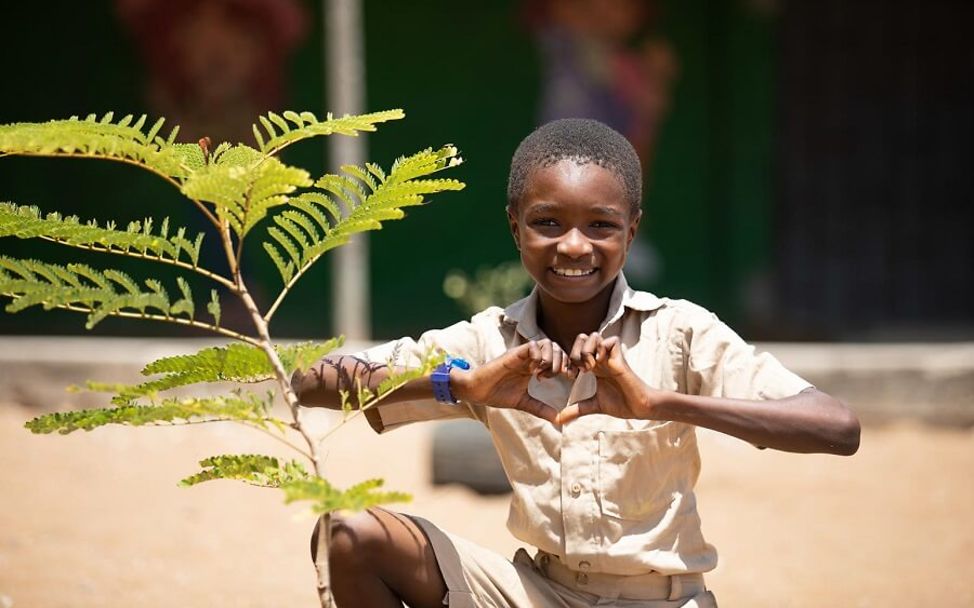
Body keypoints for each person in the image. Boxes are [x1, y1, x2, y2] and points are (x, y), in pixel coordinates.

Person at [292, 118, 860, 608]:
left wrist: (656, 403)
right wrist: (461, 385)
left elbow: (838, 428)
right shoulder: (490, 341)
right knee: (349, 533)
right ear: (514, 225)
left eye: (601, 225)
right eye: (547, 223)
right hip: (535, 591)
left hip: (661, 597)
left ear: (632, 230)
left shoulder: (679, 331)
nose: (573, 246)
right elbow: (308, 384)